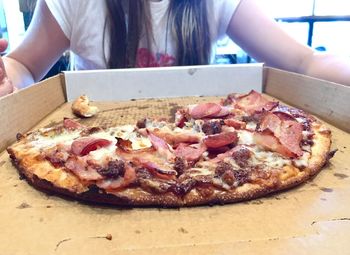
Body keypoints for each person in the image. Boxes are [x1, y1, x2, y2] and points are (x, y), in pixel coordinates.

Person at [1, 0, 350, 97]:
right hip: (97, 152)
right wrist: (8, 78)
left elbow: (305, 62)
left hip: (198, 162)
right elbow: (23, 65)